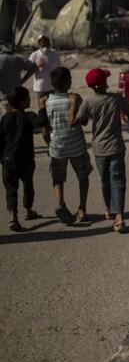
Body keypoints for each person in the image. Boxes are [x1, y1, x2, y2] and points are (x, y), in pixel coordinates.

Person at [73, 68, 129, 233]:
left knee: (104, 180)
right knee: (118, 180)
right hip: (116, 147)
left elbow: (81, 121)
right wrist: (127, 117)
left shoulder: (88, 102)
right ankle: (119, 216)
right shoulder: (116, 98)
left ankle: (108, 208)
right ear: (104, 83)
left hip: (99, 149)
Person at [39, 67, 91, 225]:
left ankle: (61, 204)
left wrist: (50, 144)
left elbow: (44, 130)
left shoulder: (46, 102)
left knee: (58, 178)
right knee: (83, 176)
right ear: (68, 82)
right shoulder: (75, 98)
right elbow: (85, 121)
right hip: (77, 146)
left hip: (57, 146)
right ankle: (82, 208)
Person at [1, 87, 39, 232]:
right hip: (26, 160)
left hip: (8, 160)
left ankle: (12, 216)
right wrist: (42, 109)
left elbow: (0, 140)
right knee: (28, 185)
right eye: (28, 98)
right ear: (23, 102)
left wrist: (2, 158)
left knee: (11, 189)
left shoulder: (5, 118)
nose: (30, 100)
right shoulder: (28, 116)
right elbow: (41, 123)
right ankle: (28, 210)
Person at [0, 43, 36, 108]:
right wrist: (23, 80)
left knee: (8, 116)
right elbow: (33, 67)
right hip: (18, 95)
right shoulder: (18, 58)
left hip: (5, 96)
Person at [28, 35, 61, 103]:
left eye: (46, 43)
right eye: (42, 44)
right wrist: (37, 65)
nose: (44, 46)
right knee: (42, 108)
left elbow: (59, 68)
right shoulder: (34, 55)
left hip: (52, 86)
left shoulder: (54, 53)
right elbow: (29, 69)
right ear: (39, 44)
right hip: (40, 87)